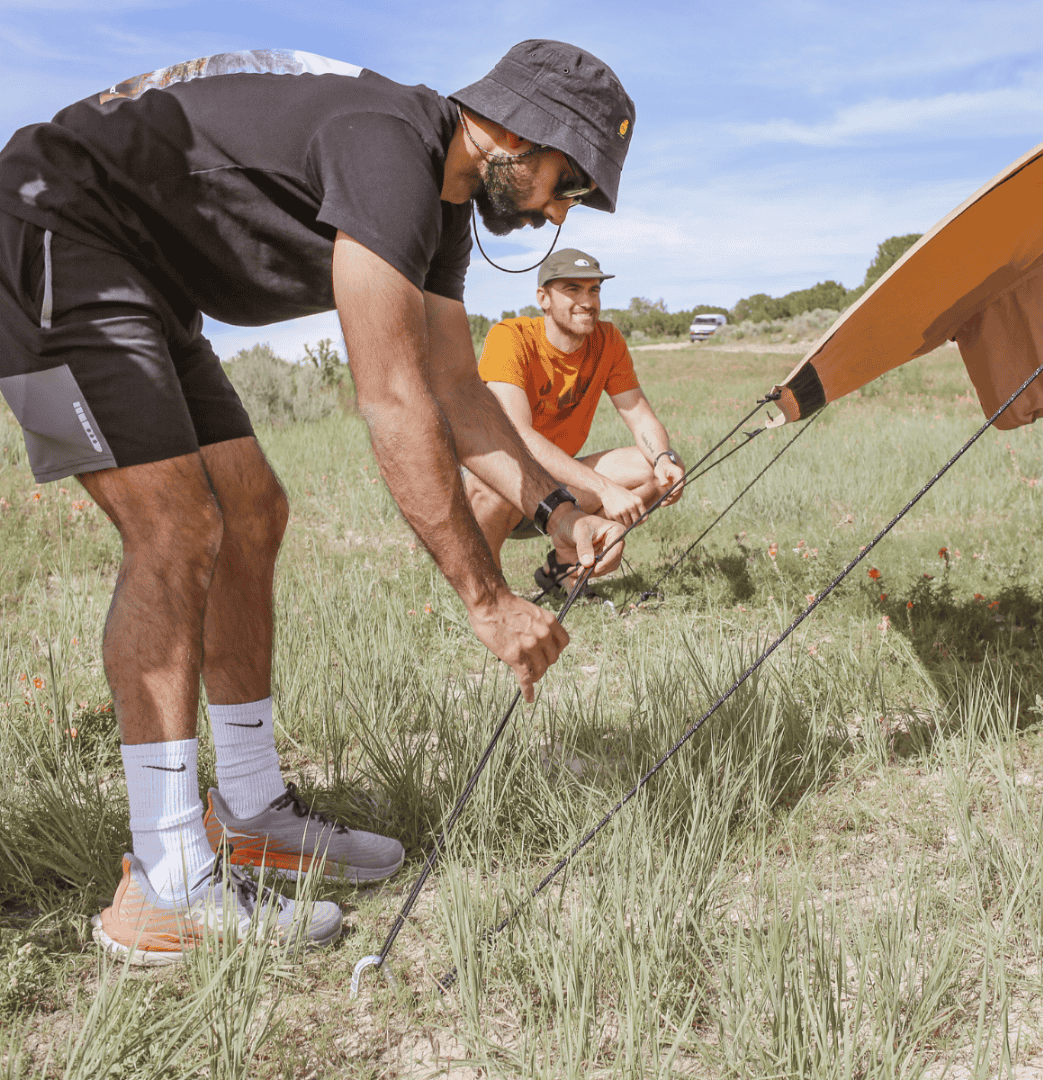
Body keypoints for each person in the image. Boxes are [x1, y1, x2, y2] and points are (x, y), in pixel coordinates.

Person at [0, 41, 635, 964]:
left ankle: (251, 812)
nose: (559, 210)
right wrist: (487, 600)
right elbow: (390, 396)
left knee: (252, 511)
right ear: (508, 129)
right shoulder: (389, 151)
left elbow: (457, 394)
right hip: (50, 228)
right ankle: (165, 880)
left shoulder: (442, 209)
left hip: (148, 279)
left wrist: (558, 514)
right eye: (564, 179)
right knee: (175, 527)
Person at [464, 248, 684, 594]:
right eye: (572, 289)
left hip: (557, 483)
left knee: (654, 470)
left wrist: (663, 459)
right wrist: (603, 487)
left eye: (594, 290)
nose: (587, 301)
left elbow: (640, 415)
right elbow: (516, 437)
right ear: (544, 298)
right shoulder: (510, 337)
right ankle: (486, 594)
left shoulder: (608, 340)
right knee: (491, 482)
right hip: (506, 482)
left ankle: (565, 570)